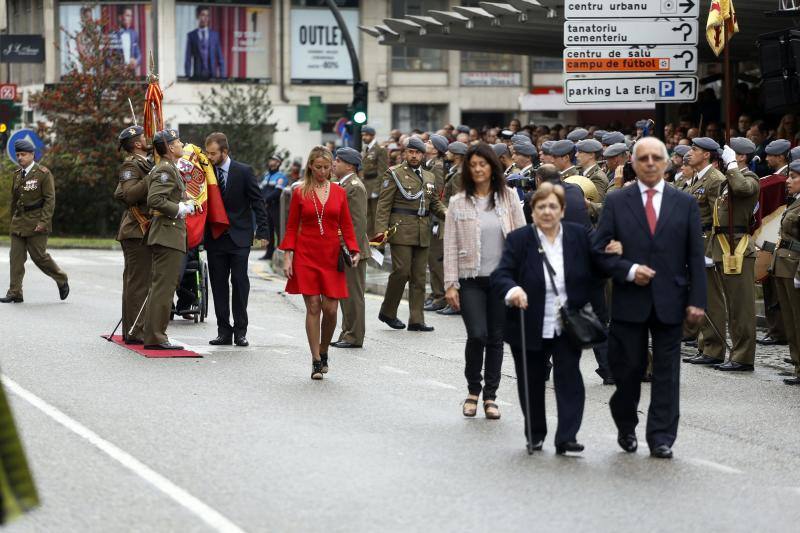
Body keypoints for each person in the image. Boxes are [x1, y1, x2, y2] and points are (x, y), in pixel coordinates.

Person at [593, 137, 707, 459]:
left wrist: (698, 300)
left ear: (667, 162)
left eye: (657, 157)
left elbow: (695, 256)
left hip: (671, 300)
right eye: (643, 158)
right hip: (630, 300)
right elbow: (599, 251)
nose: (650, 163)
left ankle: (661, 436)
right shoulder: (617, 201)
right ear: (633, 162)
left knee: (667, 374)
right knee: (629, 371)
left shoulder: (683, 203)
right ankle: (626, 424)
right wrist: (628, 270)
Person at [491, 183, 618, 453]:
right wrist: (513, 290)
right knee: (532, 381)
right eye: (541, 207)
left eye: (552, 206)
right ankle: (535, 433)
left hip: (567, 322)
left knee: (570, 378)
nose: (547, 212)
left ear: (562, 210)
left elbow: (598, 269)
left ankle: (567, 436)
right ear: (532, 211)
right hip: (529, 320)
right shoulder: (519, 239)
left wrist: (612, 256)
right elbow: (501, 274)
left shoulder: (578, 236)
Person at [443, 143, 526, 420]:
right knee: (477, 333)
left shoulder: (509, 197)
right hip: (470, 280)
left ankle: (490, 396)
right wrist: (450, 283)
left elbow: (522, 238)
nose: (478, 169)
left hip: (502, 280)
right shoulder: (458, 202)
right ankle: (472, 391)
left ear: (492, 166)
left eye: (483, 164)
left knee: (496, 338)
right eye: (473, 165)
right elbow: (450, 245)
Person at [280, 146, 359, 379]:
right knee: (314, 305)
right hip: (306, 254)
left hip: (331, 255)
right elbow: (292, 226)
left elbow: (346, 224)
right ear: (310, 167)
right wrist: (288, 255)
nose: (323, 172)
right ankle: (316, 359)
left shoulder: (339, 192)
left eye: (327, 167)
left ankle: (324, 349)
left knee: (331, 309)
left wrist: (354, 250)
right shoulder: (299, 192)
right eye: (318, 167)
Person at [374, 136, 447, 331]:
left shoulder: (429, 176)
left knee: (419, 277)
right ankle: (388, 312)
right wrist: (381, 233)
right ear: (405, 153)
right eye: (410, 152)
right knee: (401, 272)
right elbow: (383, 205)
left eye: (417, 153)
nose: (414, 156)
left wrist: (449, 214)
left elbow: (434, 203)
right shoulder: (394, 173)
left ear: (423, 155)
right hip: (401, 229)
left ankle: (416, 319)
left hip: (422, 230)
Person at [204, 132, 269, 347]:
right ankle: (224, 331)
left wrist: (263, 232)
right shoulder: (205, 173)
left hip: (239, 237)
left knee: (240, 284)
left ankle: (241, 331)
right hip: (215, 238)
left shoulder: (244, 171)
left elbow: (258, 202)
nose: (210, 157)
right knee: (218, 285)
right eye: (207, 153)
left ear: (225, 152)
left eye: (213, 153)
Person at [707, 139, 760, 371]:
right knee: (731, 306)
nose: (723, 158)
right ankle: (735, 353)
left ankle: (743, 357)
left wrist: (731, 166)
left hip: (737, 248)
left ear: (742, 157)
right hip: (722, 246)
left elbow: (742, 190)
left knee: (742, 308)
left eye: (730, 155)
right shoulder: (727, 182)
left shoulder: (750, 179)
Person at [142, 129, 194, 350]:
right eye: (178, 141)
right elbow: (154, 199)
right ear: (171, 147)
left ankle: (154, 333)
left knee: (162, 286)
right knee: (164, 287)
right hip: (167, 233)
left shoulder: (170, 168)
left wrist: (184, 199)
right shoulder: (165, 169)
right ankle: (156, 336)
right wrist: (179, 209)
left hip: (169, 233)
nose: (182, 144)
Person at [1, 139, 69, 304]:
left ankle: (61, 278)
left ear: (32, 155)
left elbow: (50, 200)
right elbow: (14, 200)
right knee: (15, 257)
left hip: (37, 220)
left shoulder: (43, 173)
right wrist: (12, 220)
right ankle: (15, 292)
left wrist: (44, 222)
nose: (20, 158)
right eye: (18, 155)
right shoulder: (17, 174)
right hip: (19, 221)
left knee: (39, 257)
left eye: (23, 154)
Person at [682, 137, 727, 366]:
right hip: (695, 241)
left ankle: (715, 348)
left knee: (711, 299)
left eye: (695, 149)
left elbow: (718, 218)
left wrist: (711, 251)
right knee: (700, 296)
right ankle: (704, 345)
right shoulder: (697, 179)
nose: (690, 153)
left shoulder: (715, 179)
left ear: (707, 155)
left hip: (707, 241)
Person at [113, 125, 153, 343]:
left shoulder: (145, 163)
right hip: (136, 230)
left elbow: (119, 192)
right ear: (137, 143)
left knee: (139, 282)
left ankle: (135, 328)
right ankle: (135, 331)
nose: (149, 138)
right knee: (137, 283)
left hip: (143, 229)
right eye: (144, 137)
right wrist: (152, 176)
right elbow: (127, 195)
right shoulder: (131, 164)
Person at [331, 148, 370, 349]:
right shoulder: (344, 185)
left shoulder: (354, 187)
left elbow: (357, 223)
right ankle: (347, 332)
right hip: (346, 247)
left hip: (352, 250)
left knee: (353, 295)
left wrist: (349, 249)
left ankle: (354, 336)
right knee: (345, 294)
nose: (334, 163)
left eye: (338, 160)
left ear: (350, 165)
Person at [773, 160, 800, 385]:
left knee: (798, 319)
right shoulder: (794, 203)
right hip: (783, 265)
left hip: (795, 267)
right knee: (791, 320)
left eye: (793, 177)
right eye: (788, 176)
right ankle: (798, 365)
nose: (788, 181)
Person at [423, 134, 449, 313]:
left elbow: (439, 195)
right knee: (431, 259)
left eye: (430, 142)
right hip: (432, 217)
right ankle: (435, 292)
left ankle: (440, 295)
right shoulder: (430, 165)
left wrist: (435, 219)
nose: (426, 144)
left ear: (436, 149)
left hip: (437, 219)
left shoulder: (437, 168)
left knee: (436, 258)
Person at [361, 126, 389, 236]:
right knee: (367, 214)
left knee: (376, 215)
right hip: (366, 184)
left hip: (374, 184)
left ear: (372, 135)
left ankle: (379, 241)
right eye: (363, 135)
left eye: (366, 135)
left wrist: (377, 189)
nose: (364, 137)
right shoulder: (365, 149)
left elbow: (382, 171)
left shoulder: (380, 149)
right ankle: (369, 240)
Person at [184, 5, 225, 80]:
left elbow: (220, 58)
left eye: (207, 15)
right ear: (197, 16)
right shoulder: (191, 35)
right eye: (203, 15)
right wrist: (187, 76)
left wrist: (222, 77)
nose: (205, 18)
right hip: (197, 76)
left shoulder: (214, 35)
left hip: (212, 77)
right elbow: (188, 58)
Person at [260, 154, 288, 260]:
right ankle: (269, 253)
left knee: (278, 230)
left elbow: (277, 192)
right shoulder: (266, 176)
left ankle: (281, 250)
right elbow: (261, 190)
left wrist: (265, 200)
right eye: (270, 159)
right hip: (266, 207)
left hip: (276, 207)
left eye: (273, 160)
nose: (271, 161)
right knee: (269, 231)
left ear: (278, 163)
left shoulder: (281, 176)